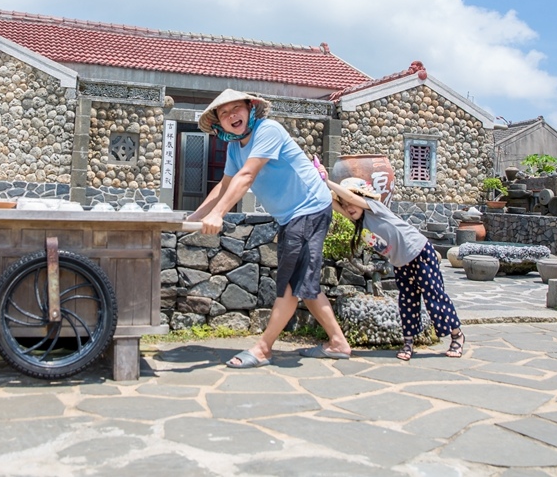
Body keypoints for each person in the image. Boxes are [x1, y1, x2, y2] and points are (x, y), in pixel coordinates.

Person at [187, 89, 351, 368]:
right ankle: (338, 342)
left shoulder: (268, 130)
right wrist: (196, 216)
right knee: (303, 282)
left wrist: (218, 214)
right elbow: (225, 185)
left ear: (251, 109)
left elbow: (247, 176)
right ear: (219, 123)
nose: (231, 116)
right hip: (293, 216)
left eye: (236, 108)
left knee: (289, 283)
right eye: (224, 114)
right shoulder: (234, 148)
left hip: (309, 208)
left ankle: (263, 348)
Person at [323, 174, 465, 360]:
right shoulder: (358, 222)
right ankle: (408, 343)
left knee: (434, 296)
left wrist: (326, 180)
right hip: (401, 262)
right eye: (344, 204)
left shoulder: (375, 208)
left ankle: (457, 336)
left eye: (350, 202)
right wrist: (318, 184)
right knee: (407, 302)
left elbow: (350, 198)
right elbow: (338, 204)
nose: (348, 207)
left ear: (362, 198)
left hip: (420, 253)